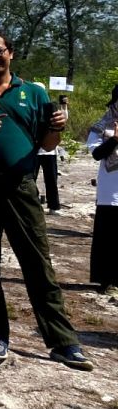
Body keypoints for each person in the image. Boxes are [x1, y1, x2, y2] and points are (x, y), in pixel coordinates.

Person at [0, 28, 92, 371]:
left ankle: (63, 343)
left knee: (38, 266)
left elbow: (48, 145)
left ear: (10, 53)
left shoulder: (35, 94)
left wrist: (57, 127)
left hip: (21, 187)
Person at [86, 86, 118, 295]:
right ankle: (108, 280)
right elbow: (96, 153)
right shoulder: (101, 125)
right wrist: (115, 139)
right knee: (109, 236)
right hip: (110, 190)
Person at [33, 85, 63, 214]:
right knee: (30, 179)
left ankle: (53, 206)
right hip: (33, 151)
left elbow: (59, 125)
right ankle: (32, 204)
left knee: (51, 179)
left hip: (49, 151)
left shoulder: (51, 109)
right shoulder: (30, 110)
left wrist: (64, 107)